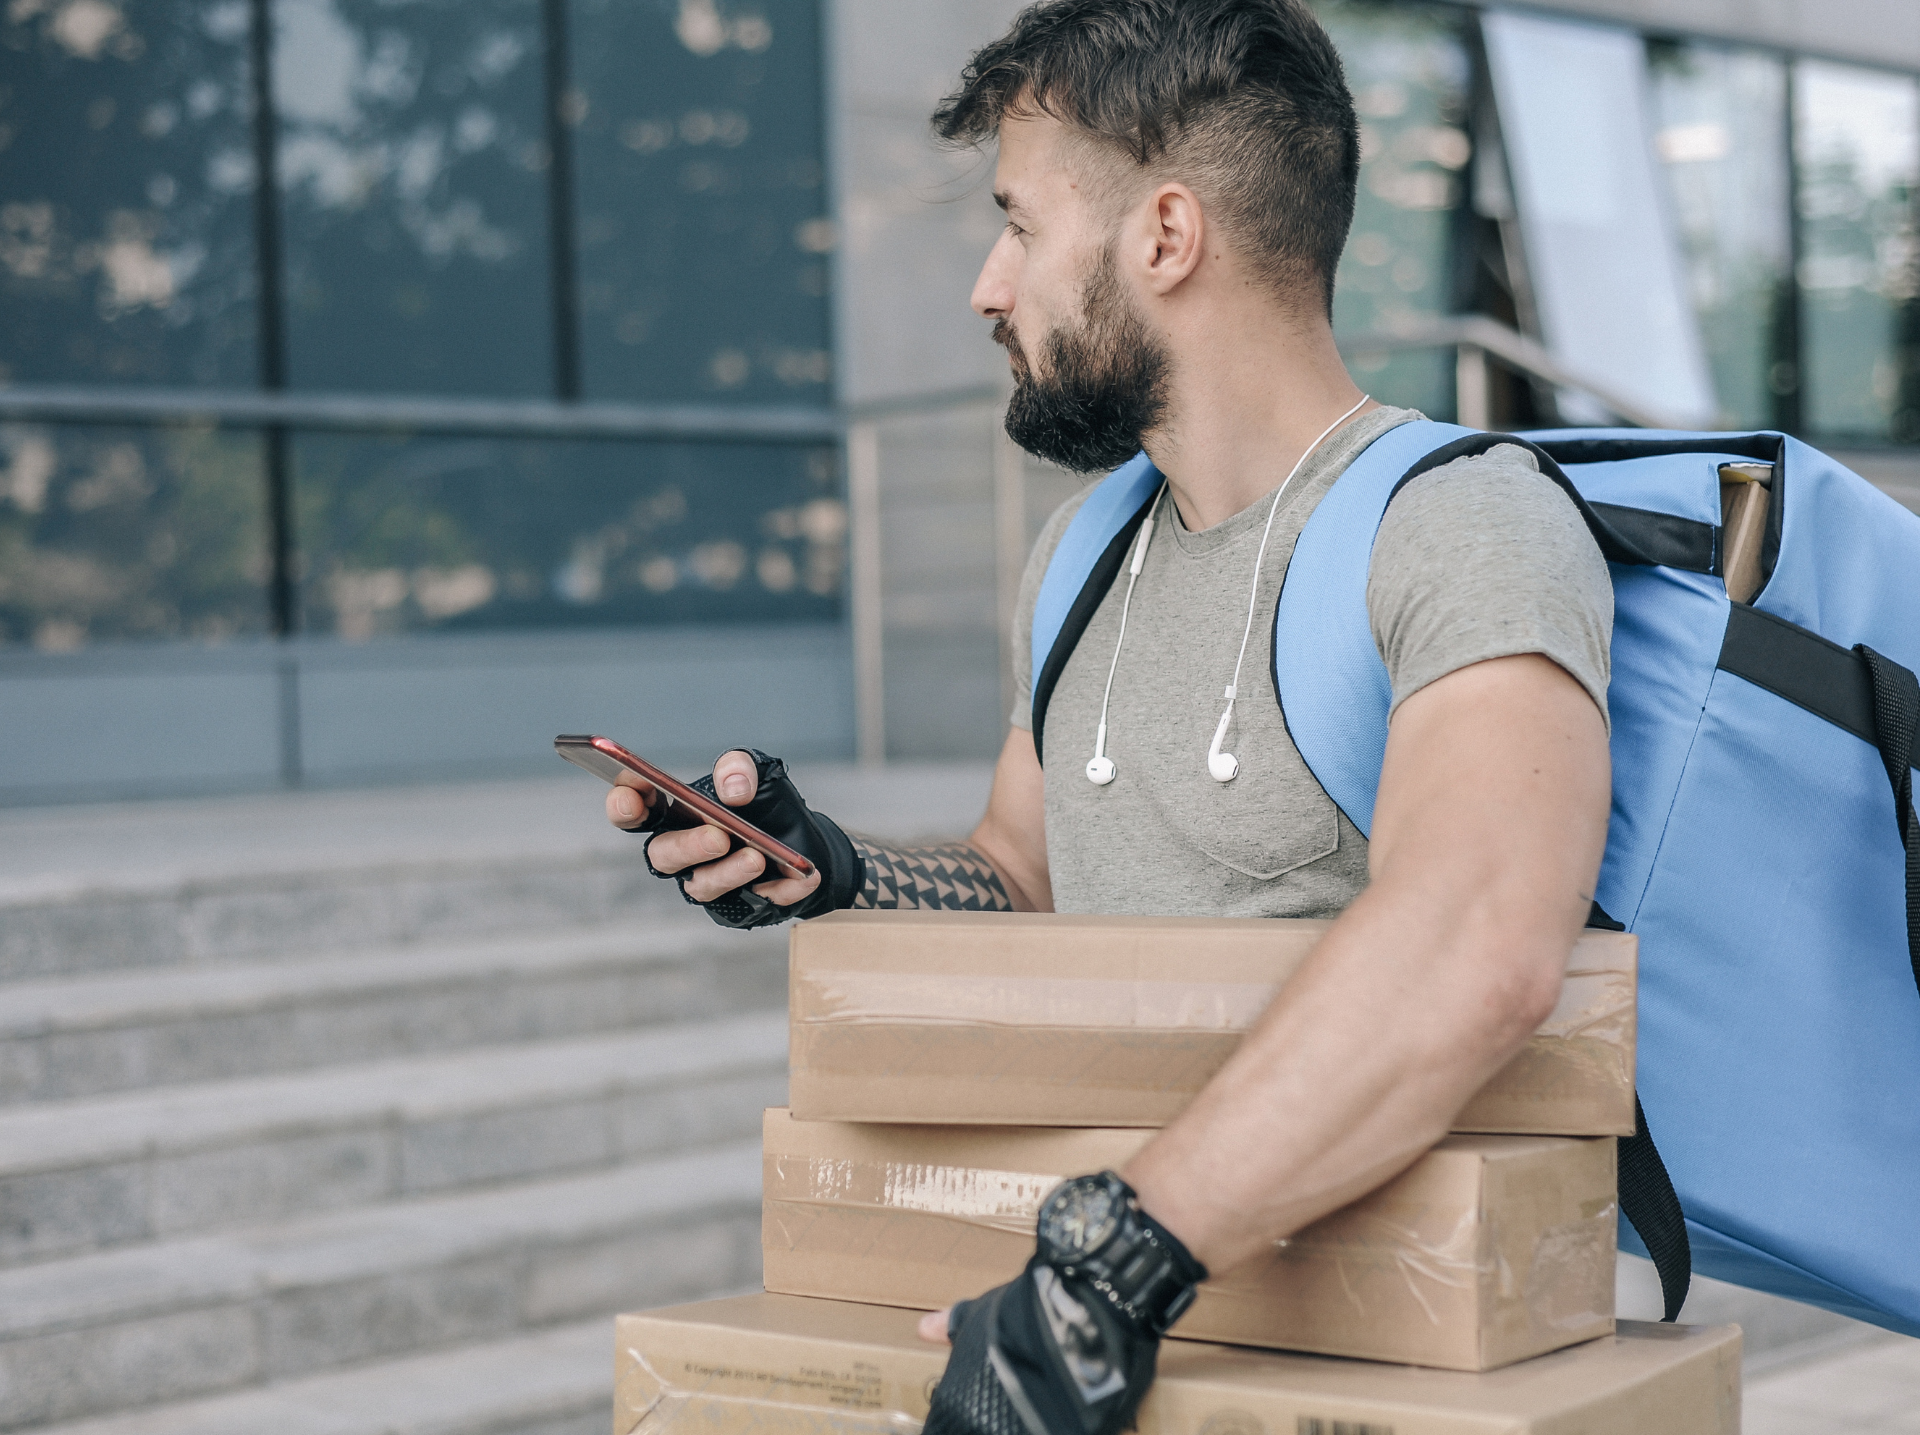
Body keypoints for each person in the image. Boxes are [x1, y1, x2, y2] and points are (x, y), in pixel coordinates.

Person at [609, 1, 1614, 1430]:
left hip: (1372, 1360)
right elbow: (1021, 878)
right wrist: (833, 867)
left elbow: (1480, 941)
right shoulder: (1085, 555)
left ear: (1164, 236)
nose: (985, 284)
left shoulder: (1461, 525)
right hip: (1117, 1349)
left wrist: (1109, 1263)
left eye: (1020, 224)